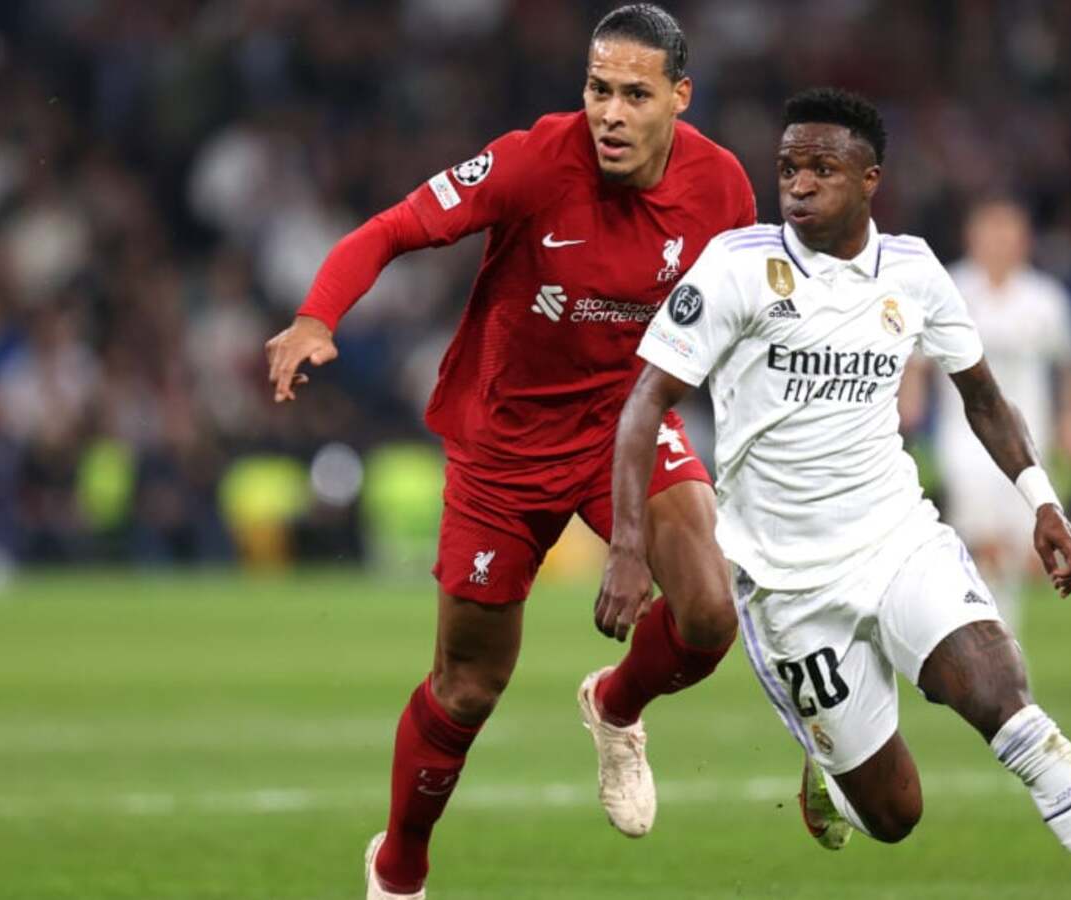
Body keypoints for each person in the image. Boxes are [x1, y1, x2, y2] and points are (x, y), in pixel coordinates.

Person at [598, 88, 1071, 899]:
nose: (799, 185)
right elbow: (645, 401)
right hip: (788, 587)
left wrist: (1043, 501)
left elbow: (983, 399)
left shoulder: (914, 272)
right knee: (895, 814)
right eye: (788, 168)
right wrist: (626, 544)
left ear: (870, 180)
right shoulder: (736, 267)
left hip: (899, 542)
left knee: (1011, 710)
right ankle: (830, 773)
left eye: (822, 169)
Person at [263, 6, 754, 898]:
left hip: (626, 426)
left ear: (680, 97)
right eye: (598, 89)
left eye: (635, 94)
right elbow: (394, 228)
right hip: (505, 447)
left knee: (712, 614)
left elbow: (745, 324)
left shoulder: (722, 189)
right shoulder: (533, 160)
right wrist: (315, 317)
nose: (610, 113)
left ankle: (614, 705)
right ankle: (398, 868)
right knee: (468, 687)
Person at [926, 196, 1071, 633]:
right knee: (981, 542)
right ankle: (980, 634)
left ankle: (1001, 637)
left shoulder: (1046, 299)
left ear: (1024, 239)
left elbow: (1069, 366)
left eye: (1008, 231)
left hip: (1028, 439)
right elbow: (916, 357)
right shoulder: (950, 288)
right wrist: (908, 399)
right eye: (991, 231)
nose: (999, 241)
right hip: (964, 438)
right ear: (972, 236)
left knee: (1020, 546)